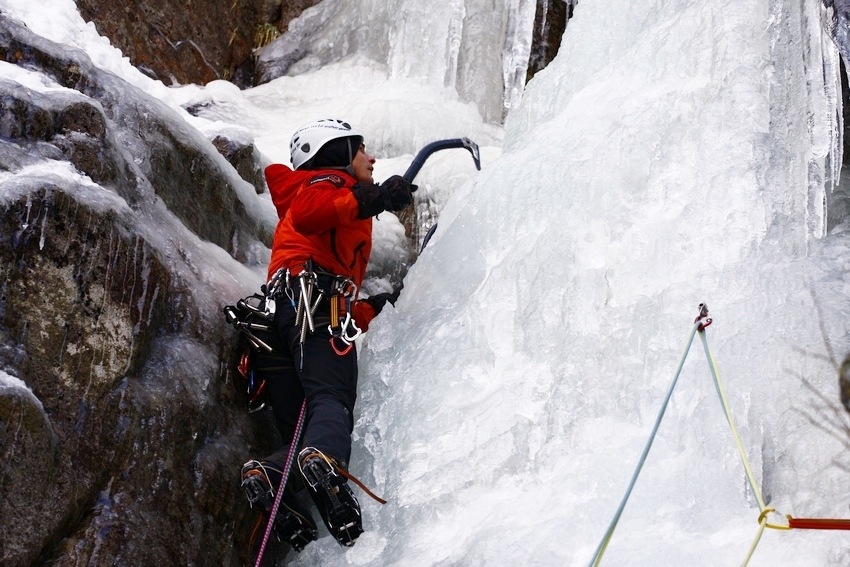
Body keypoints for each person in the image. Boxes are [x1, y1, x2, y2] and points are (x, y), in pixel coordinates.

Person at [239, 118, 415, 551]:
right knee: (331, 402)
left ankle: (271, 475)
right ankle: (328, 468)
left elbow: (325, 281)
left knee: (303, 431)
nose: (370, 158)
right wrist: (374, 197)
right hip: (310, 305)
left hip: (278, 324)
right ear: (335, 153)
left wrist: (372, 308)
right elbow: (312, 212)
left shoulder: (326, 194)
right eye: (360, 150)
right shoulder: (324, 183)